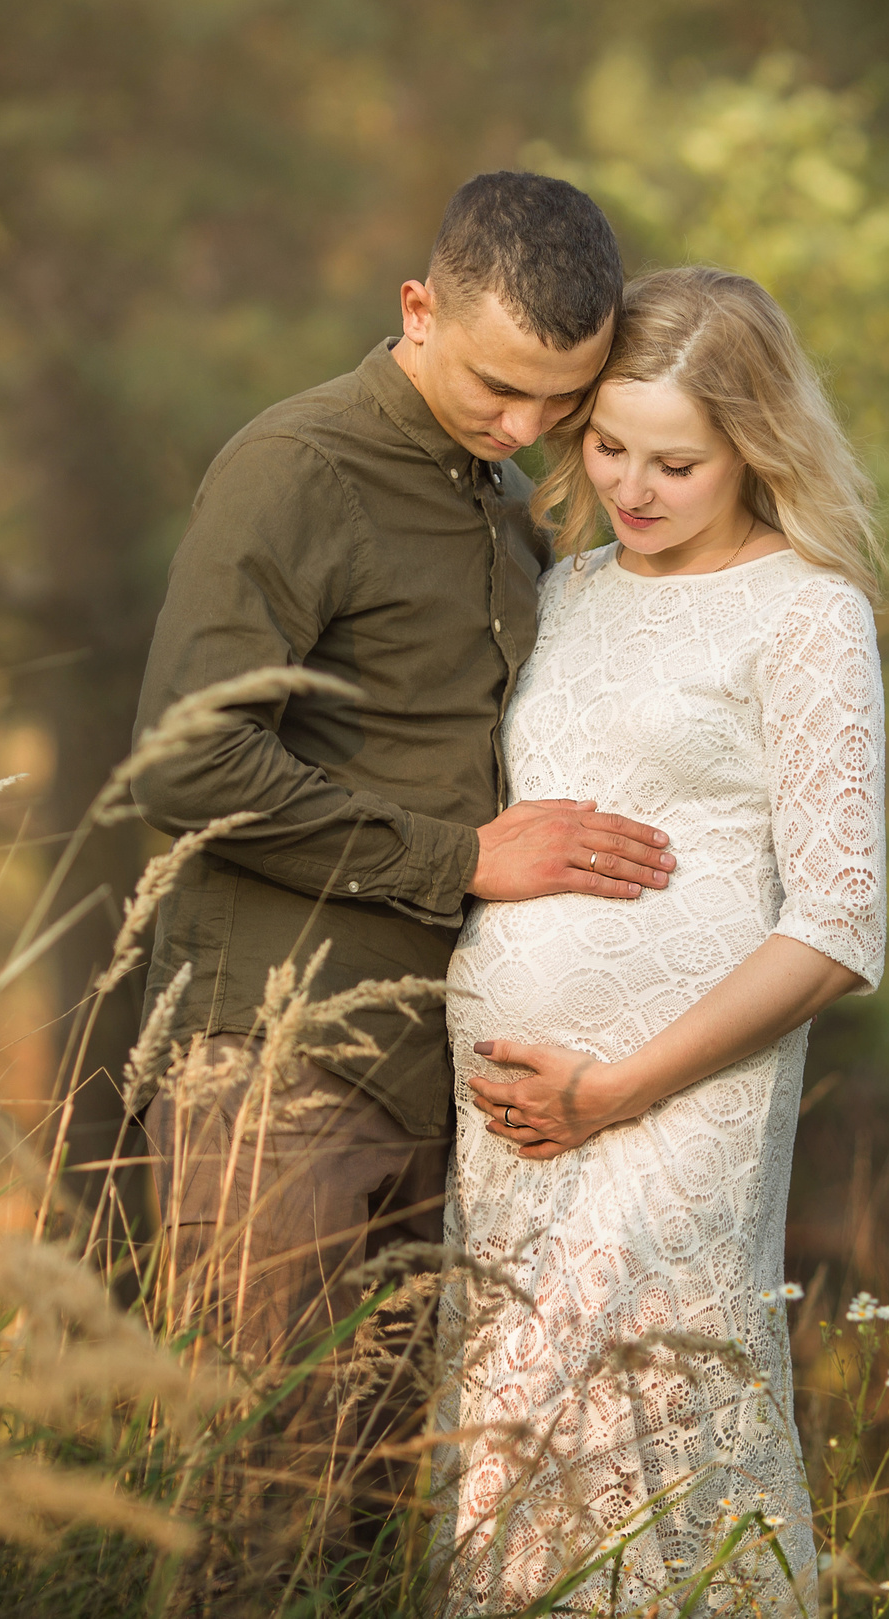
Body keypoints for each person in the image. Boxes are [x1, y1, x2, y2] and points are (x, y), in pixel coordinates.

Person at [127, 174, 675, 1409]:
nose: (524, 423)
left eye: (561, 397)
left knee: (376, 1503)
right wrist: (464, 860)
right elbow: (184, 758)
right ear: (418, 310)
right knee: (260, 1492)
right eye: (497, 386)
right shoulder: (295, 468)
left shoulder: (502, 503)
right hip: (279, 1064)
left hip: (444, 1075)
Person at [437, 265, 887, 1613]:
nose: (631, 485)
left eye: (675, 461)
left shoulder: (809, 612)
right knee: (512, 1470)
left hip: (670, 1106)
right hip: (513, 1117)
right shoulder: (567, 587)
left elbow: (840, 919)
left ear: (754, 444)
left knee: (646, 1443)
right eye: (609, 445)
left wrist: (616, 1086)